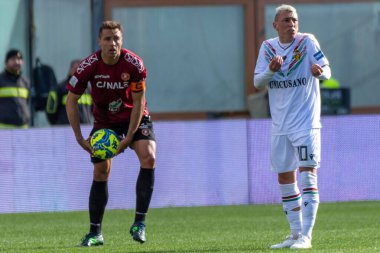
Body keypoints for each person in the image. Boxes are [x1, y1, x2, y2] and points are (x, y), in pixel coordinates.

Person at [66, 21, 156, 247]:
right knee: (101, 170)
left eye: (116, 38)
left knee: (149, 156)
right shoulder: (89, 66)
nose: (112, 43)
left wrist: (129, 137)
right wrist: (79, 137)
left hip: (133, 117)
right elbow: (71, 100)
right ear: (100, 42)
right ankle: (95, 233)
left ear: (121, 41)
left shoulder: (134, 64)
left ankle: (139, 224)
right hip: (105, 122)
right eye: (107, 39)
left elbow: (139, 102)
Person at [253, 4, 331, 249]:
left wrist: (320, 73)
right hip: (280, 125)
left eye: (295, 20)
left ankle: (307, 236)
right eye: (286, 20)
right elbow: (257, 82)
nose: (292, 24)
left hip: (306, 123)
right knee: (285, 177)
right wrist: (270, 70)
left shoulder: (307, 42)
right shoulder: (267, 48)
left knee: (307, 174)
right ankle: (295, 234)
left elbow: (327, 70)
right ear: (275, 25)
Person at [46, 59, 92, 125]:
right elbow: (50, 111)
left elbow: (94, 110)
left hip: (84, 128)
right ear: (70, 71)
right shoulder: (59, 88)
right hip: (65, 129)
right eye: (76, 69)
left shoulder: (88, 90)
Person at [0, 49, 30, 129]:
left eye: (19, 59)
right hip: (4, 129)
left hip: (23, 128)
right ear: (6, 62)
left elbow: (27, 102)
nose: (17, 62)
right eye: (13, 59)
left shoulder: (25, 82)